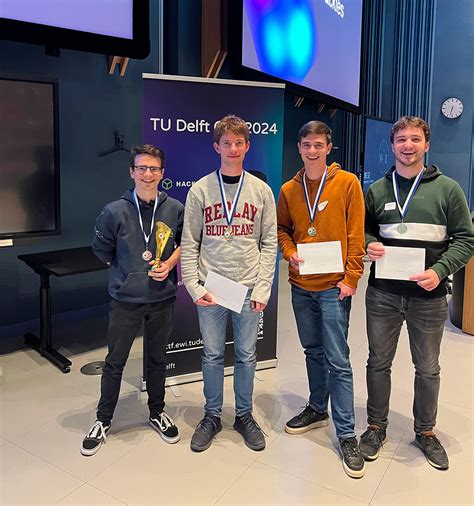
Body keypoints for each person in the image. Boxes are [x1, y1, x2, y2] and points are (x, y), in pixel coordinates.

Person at [361, 116, 473, 470]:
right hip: (383, 294)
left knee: (427, 368)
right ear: (393, 145)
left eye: (414, 139)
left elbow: (466, 239)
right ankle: (376, 427)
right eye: (401, 140)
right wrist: (369, 243)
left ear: (426, 145)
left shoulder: (448, 189)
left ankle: (425, 431)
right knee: (378, 362)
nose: (407, 145)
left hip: (429, 297)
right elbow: (362, 230)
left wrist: (439, 270)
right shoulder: (378, 189)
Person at [180, 115, 277, 452]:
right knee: (212, 355)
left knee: (247, 355)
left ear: (247, 146)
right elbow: (189, 242)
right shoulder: (200, 189)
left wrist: (263, 288)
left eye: (238, 143)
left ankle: (244, 415)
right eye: (226, 143)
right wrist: (194, 286)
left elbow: (270, 243)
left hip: (249, 287)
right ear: (216, 147)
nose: (232, 149)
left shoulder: (261, 191)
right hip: (212, 288)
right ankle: (211, 415)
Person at [81, 144, 184, 456]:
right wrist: (127, 272)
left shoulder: (175, 208)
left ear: (162, 173)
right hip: (125, 299)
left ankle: (157, 412)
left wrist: (170, 263)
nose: (147, 174)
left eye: (153, 168)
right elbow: (102, 251)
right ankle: (103, 420)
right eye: (142, 168)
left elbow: (185, 243)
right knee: (115, 362)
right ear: (132, 172)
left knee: (157, 359)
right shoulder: (114, 211)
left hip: (162, 297)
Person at [277, 120, 366, 478]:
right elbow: (283, 229)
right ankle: (317, 408)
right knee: (312, 351)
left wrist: (352, 277)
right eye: (306, 145)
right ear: (299, 148)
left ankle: (346, 434)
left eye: (318, 145)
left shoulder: (347, 183)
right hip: (301, 285)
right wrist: (289, 252)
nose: (312, 150)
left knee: (338, 360)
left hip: (333, 287)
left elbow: (356, 233)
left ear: (329, 148)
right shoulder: (288, 189)